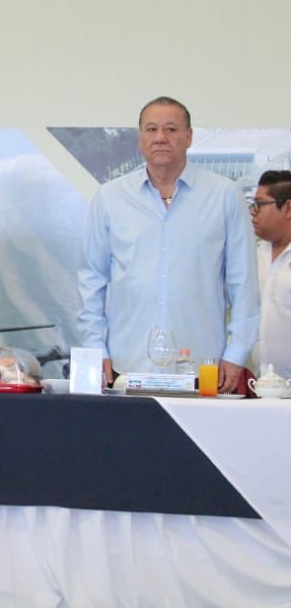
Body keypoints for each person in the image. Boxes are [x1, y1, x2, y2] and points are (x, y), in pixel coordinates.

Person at [76, 96, 258, 392]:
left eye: (171, 129)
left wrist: (237, 353)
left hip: (204, 367)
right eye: (151, 129)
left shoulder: (224, 195)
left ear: (189, 136)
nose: (160, 138)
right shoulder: (110, 198)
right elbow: (91, 281)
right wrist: (95, 349)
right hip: (125, 367)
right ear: (140, 138)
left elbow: (244, 284)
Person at [251, 169, 291, 377]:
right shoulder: (254, 256)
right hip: (262, 387)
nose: (253, 211)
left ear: (288, 208)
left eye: (260, 204)